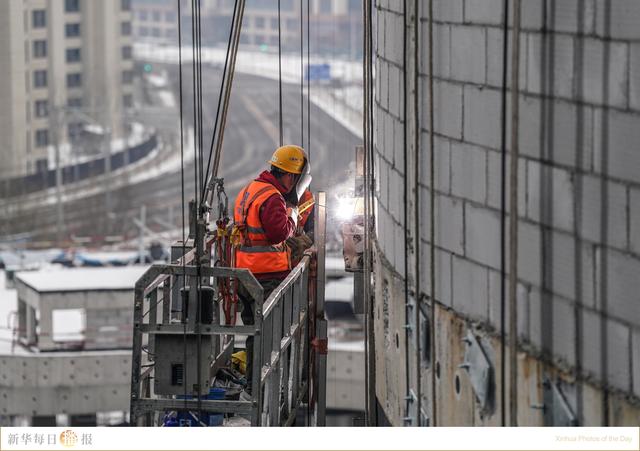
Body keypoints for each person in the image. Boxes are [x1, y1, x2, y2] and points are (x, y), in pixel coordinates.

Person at [233, 144, 312, 393]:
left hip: (244, 274)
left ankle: (253, 386)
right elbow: (278, 232)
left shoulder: (250, 189)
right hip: (266, 278)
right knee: (271, 336)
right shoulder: (272, 197)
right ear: (290, 176)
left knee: (256, 333)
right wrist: (292, 218)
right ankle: (261, 390)